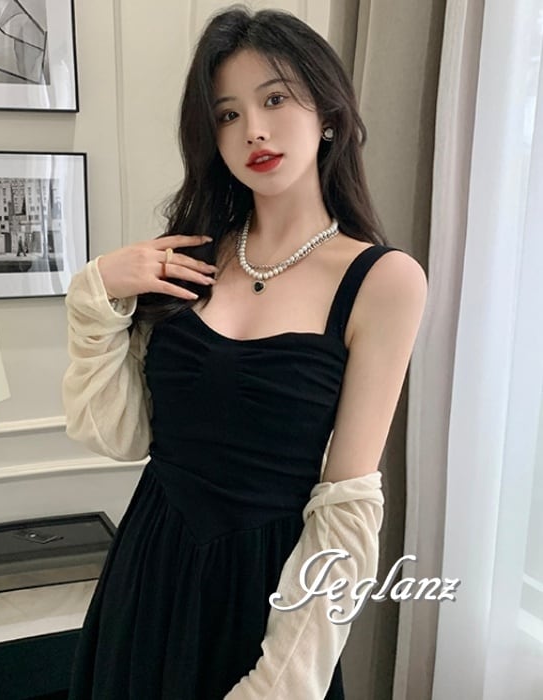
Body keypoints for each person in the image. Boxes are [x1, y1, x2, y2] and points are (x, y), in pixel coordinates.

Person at [62, 6, 427, 699]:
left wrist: (277, 684)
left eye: (275, 98)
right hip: (147, 575)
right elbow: (119, 435)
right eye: (227, 114)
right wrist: (96, 293)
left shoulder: (383, 281)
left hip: (266, 599)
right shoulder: (189, 258)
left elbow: (347, 507)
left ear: (329, 114)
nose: (253, 129)